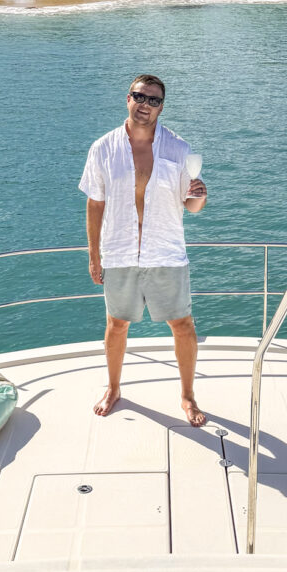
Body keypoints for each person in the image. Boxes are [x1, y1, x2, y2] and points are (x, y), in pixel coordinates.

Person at [79, 74, 208, 426]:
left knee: (183, 324)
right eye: (139, 96)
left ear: (161, 107)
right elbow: (95, 204)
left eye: (154, 100)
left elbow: (191, 206)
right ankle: (113, 388)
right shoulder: (103, 148)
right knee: (116, 323)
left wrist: (200, 196)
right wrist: (94, 255)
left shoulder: (178, 149)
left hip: (166, 251)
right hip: (119, 251)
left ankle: (188, 396)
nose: (145, 105)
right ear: (128, 99)